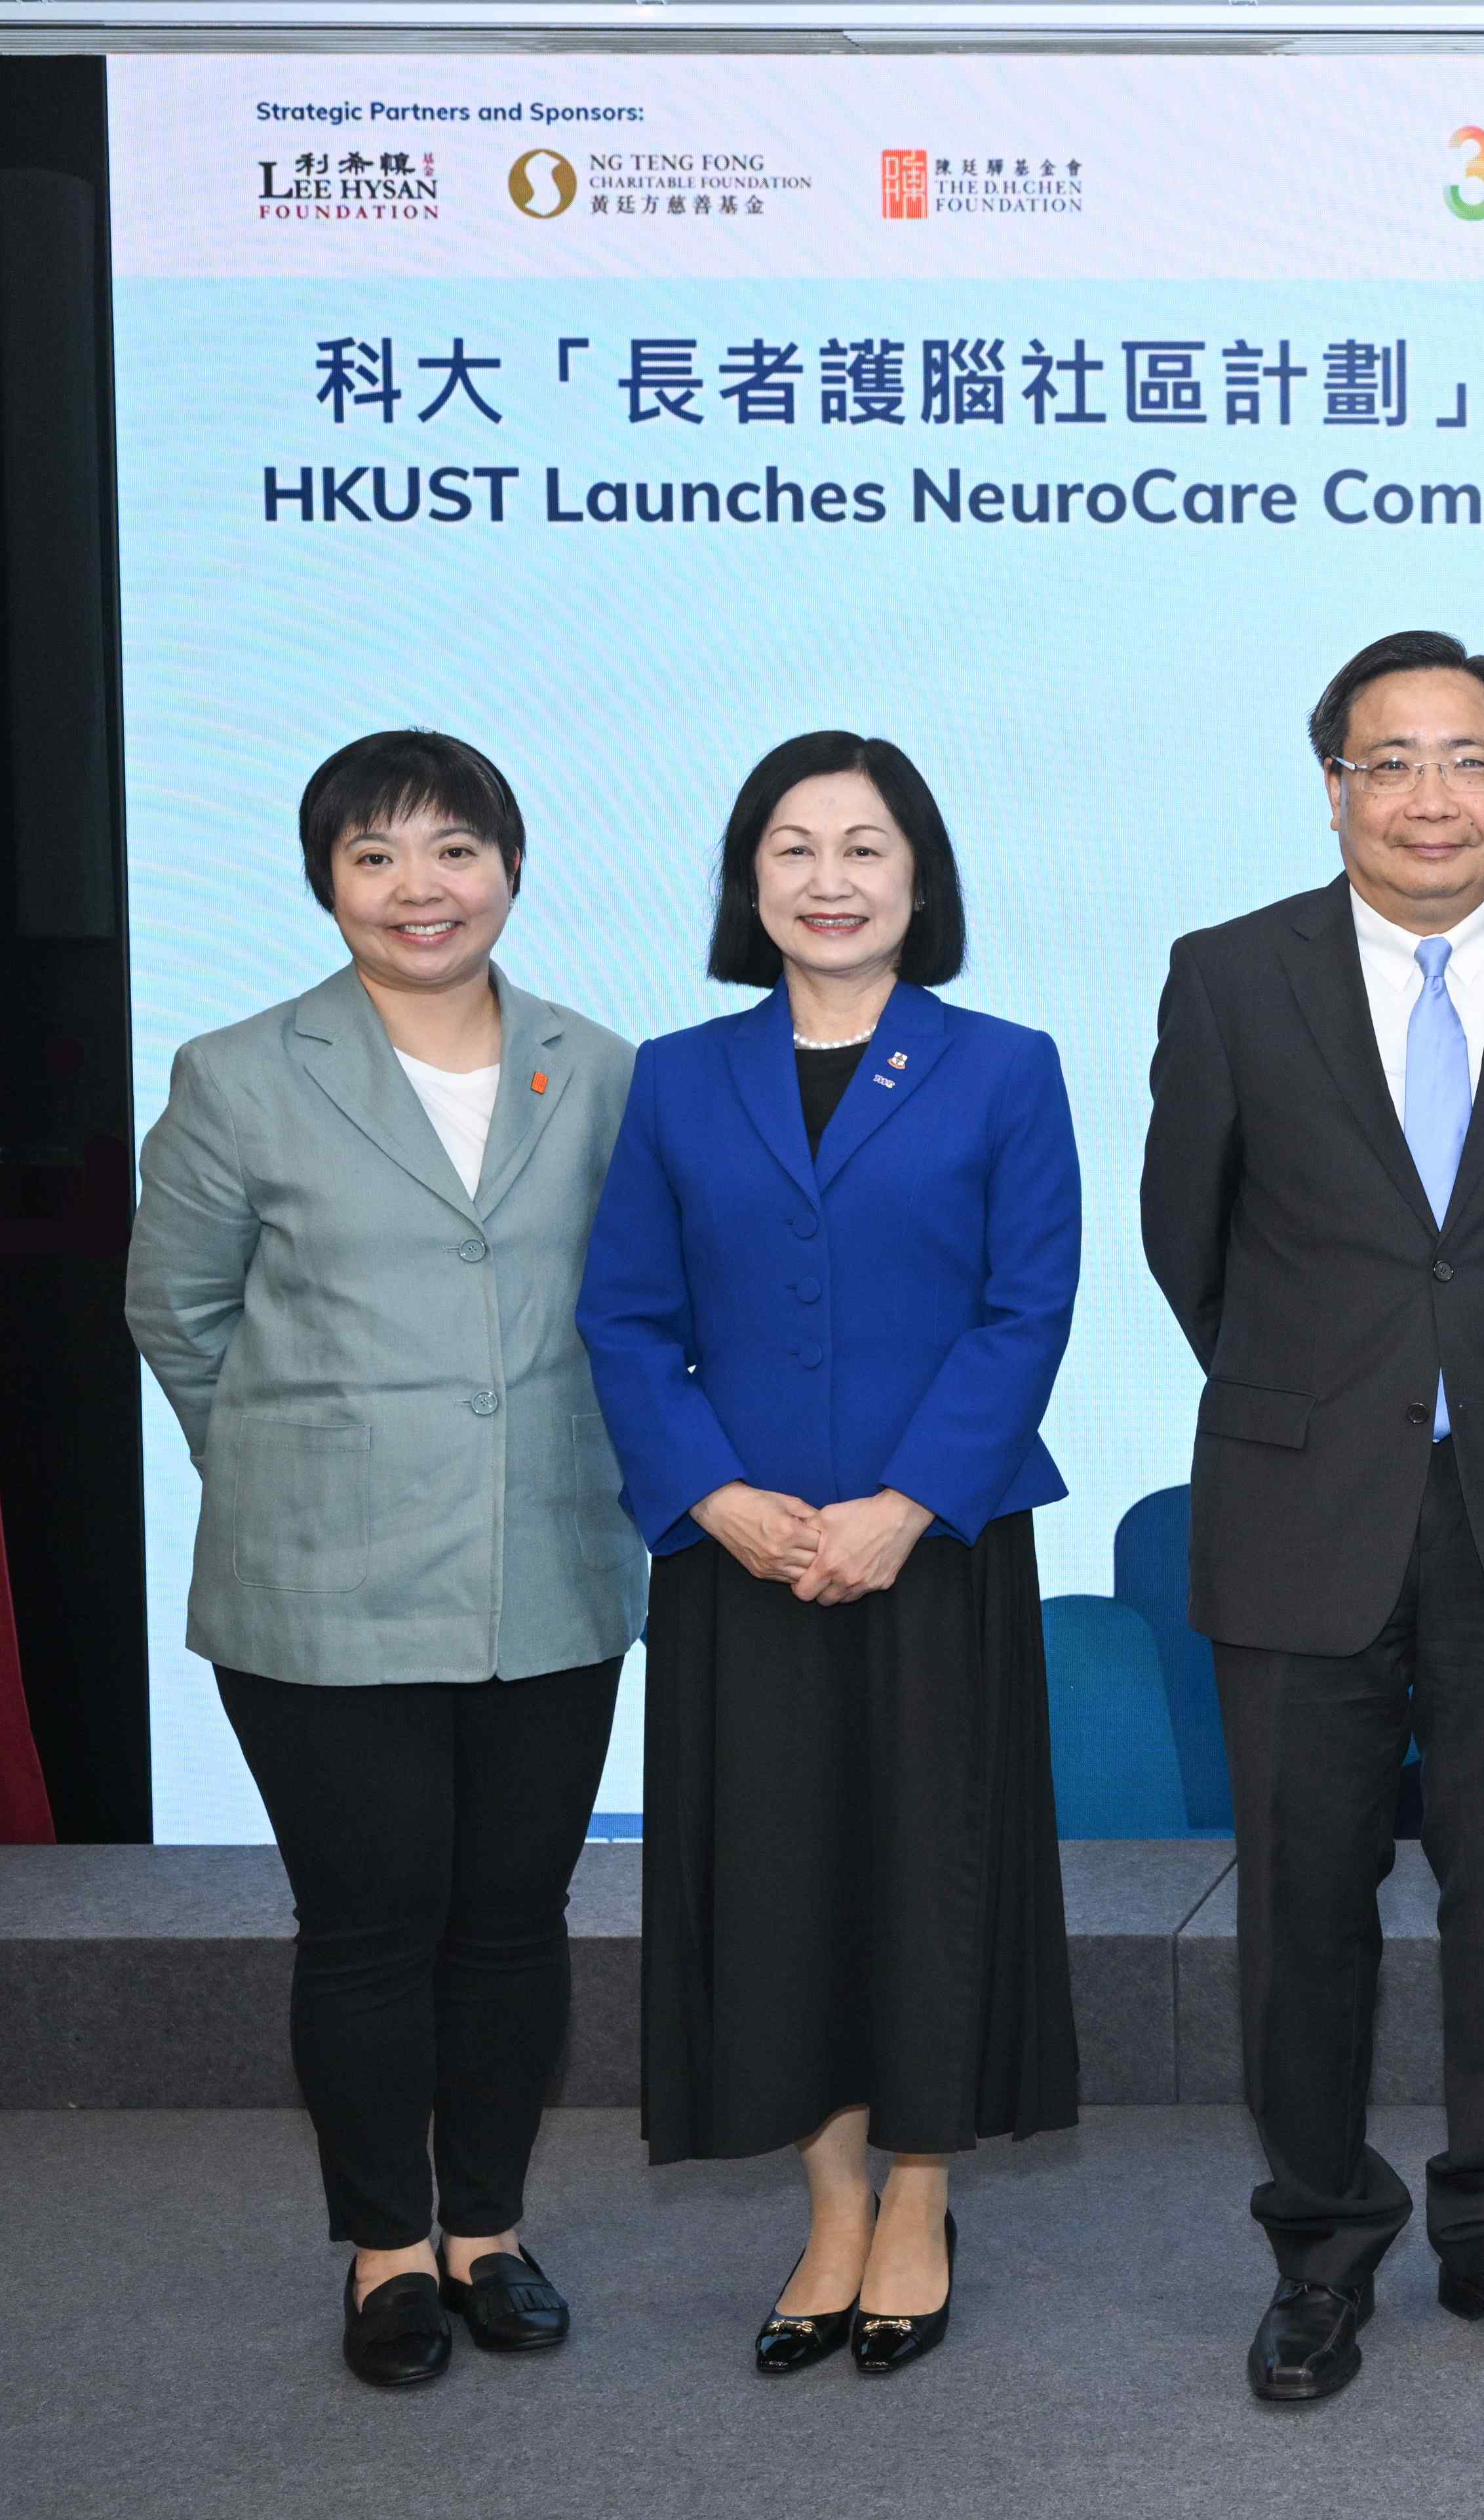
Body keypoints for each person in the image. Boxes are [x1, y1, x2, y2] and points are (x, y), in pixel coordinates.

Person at [1142, 631, 1484, 2407]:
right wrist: (1341, 1398)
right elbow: (1189, 1239)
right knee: (1304, 1901)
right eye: (1393, 760)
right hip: (1305, 1500)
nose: (1434, 795)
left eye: (1471, 758)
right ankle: (1316, 2244)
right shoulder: (1229, 975)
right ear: (1335, 785)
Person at [126, 729, 644, 2388]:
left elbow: (637, 1305)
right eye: (375, 856)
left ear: (509, 865)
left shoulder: (604, 1064)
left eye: (453, 851)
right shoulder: (239, 1069)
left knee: (512, 1916)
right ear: (326, 883)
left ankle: (488, 2228)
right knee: (367, 1921)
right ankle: (385, 2250)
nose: (420, 888)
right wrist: (295, 1460)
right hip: (318, 1577)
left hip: (553, 1562)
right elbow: (179, 1312)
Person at [576, 731, 1080, 2379]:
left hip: (931, 1549)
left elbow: (1027, 1310)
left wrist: (911, 1502)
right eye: (793, 849)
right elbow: (627, 1318)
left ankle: (920, 2197)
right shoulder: (676, 1074)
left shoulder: (1004, 1066)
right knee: (777, 1879)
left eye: (865, 848)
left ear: (918, 880)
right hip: (743, 1555)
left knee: (928, 1878)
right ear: (749, 884)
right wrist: (710, 1496)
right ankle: (830, 2202)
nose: (829, 880)